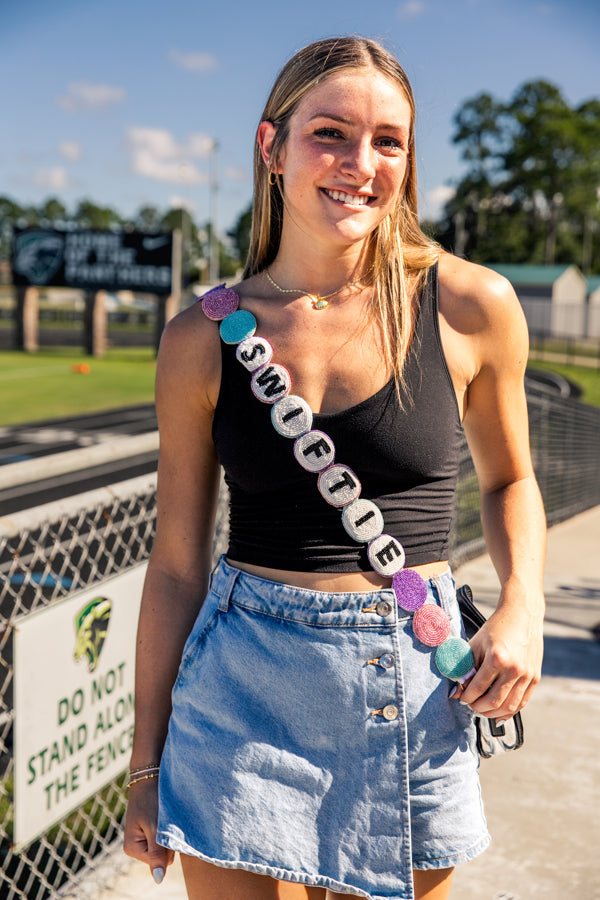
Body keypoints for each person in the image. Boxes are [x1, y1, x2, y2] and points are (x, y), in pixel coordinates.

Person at [124, 36, 546, 900]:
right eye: (331, 133)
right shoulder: (200, 337)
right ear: (271, 147)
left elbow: (511, 481)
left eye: (389, 141)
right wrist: (143, 761)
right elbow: (175, 565)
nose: (361, 164)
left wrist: (525, 606)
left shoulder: (471, 305)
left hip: (413, 688)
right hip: (241, 689)